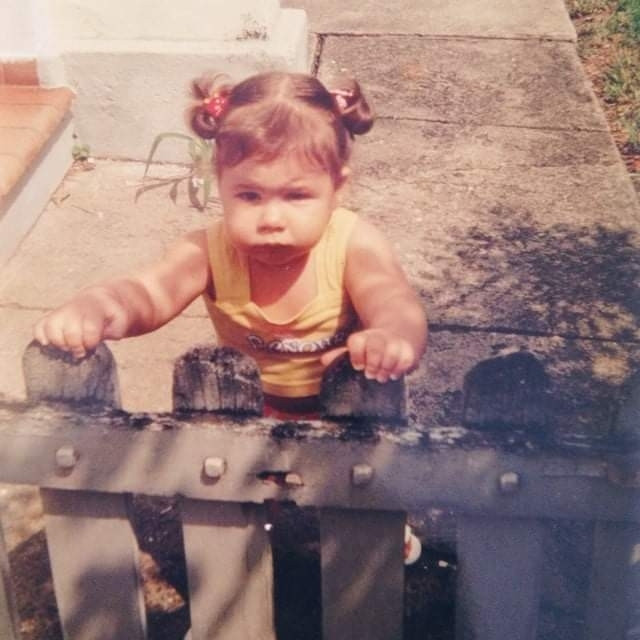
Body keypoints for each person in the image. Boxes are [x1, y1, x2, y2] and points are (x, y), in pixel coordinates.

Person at [34, 70, 427, 419]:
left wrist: (390, 337)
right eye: (250, 196)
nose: (272, 220)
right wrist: (99, 305)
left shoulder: (353, 243)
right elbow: (150, 290)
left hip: (349, 409)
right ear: (220, 184)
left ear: (338, 187)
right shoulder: (209, 251)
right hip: (243, 409)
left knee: (338, 501)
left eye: (296, 197)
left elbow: (394, 301)